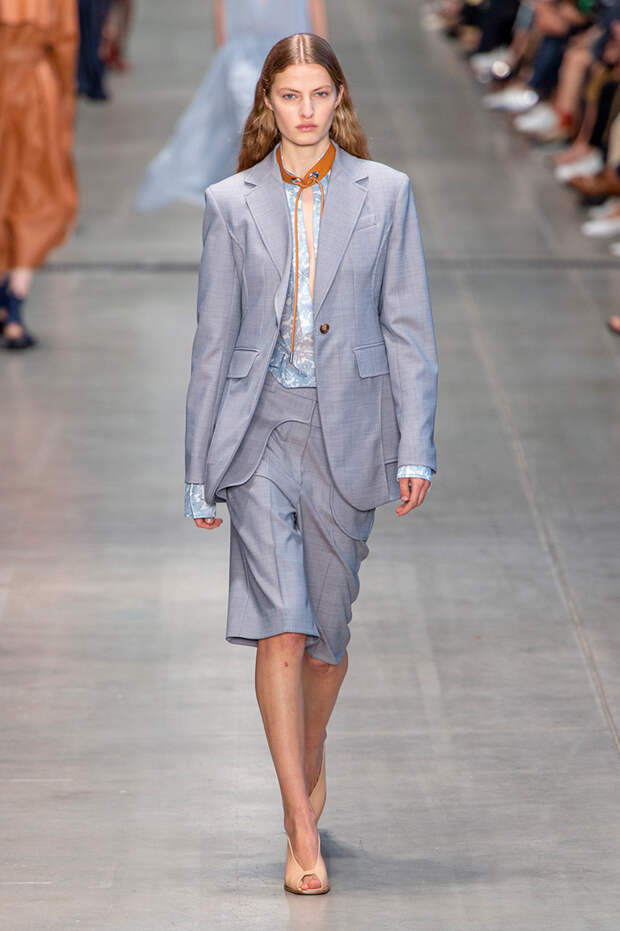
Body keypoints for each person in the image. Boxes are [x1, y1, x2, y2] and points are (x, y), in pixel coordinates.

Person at [184, 33, 438, 894]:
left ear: (339, 99)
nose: (304, 110)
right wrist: (199, 466)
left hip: (350, 432)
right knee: (282, 626)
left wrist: (416, 443)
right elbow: (213, 343)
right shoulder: (229, 203)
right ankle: (301, 822)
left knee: (327, 638)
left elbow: (408, 328)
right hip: (259, 433)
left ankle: (309, 746)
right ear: (268, 102)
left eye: (318, 94)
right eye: (289, 95)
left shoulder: (386, 193)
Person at [135, 0, 327, 210]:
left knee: (288, 125)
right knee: (251, 125)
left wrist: (321, 56)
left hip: (290, 52)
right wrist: (224, 50)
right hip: (243, 53)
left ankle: (281, 192)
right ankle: (263, 196)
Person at [0, 0, 79, 350]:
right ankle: (15, 302)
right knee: (38, 193)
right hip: (35, 87)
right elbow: (65, 40)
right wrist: (65, 105)